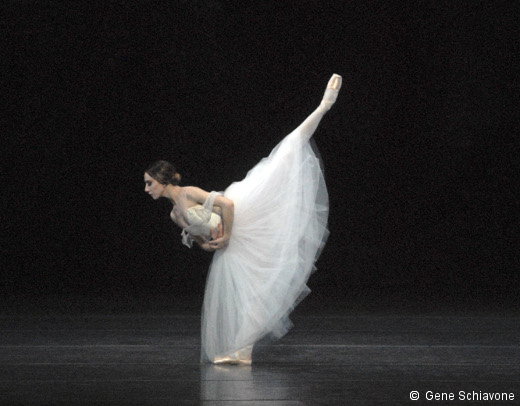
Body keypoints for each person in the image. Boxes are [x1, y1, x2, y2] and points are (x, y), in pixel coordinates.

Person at [144, 74, 342, 364]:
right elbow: (200, 239)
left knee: (283, 157)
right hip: (231, 243)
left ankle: (323, 106)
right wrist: (208, 245)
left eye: (150, 183)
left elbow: (226, 205)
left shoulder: (188, 193)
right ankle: (243, 351)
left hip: (244, 213)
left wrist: (226, 234)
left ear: (163, 181)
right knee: (247, 293)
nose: (147, 189)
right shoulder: (174, 213)